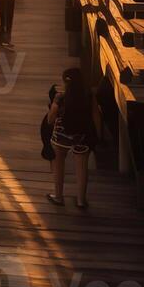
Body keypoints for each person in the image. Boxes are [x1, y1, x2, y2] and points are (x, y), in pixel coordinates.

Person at [47, 67, 95, 209]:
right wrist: (97, 137)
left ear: (65, 82)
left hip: (61, 137)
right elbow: (96, 118)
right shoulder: (88, 96)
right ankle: (81, 200)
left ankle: (58, 196)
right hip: (82, 136)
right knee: (82, 167)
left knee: (58, 164)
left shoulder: (60, 97)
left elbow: (50, 119)